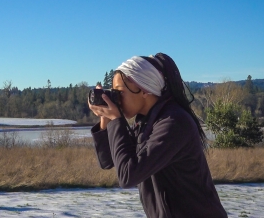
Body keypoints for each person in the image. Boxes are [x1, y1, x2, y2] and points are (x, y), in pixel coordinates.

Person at [88, 53, 227, 218]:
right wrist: (106, 116)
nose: (118, 99)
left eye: (120, 92)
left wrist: (116, 120)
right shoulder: (145, 123)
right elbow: (108, 161)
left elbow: (128, 176)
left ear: (144, 89)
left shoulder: (174, 123)